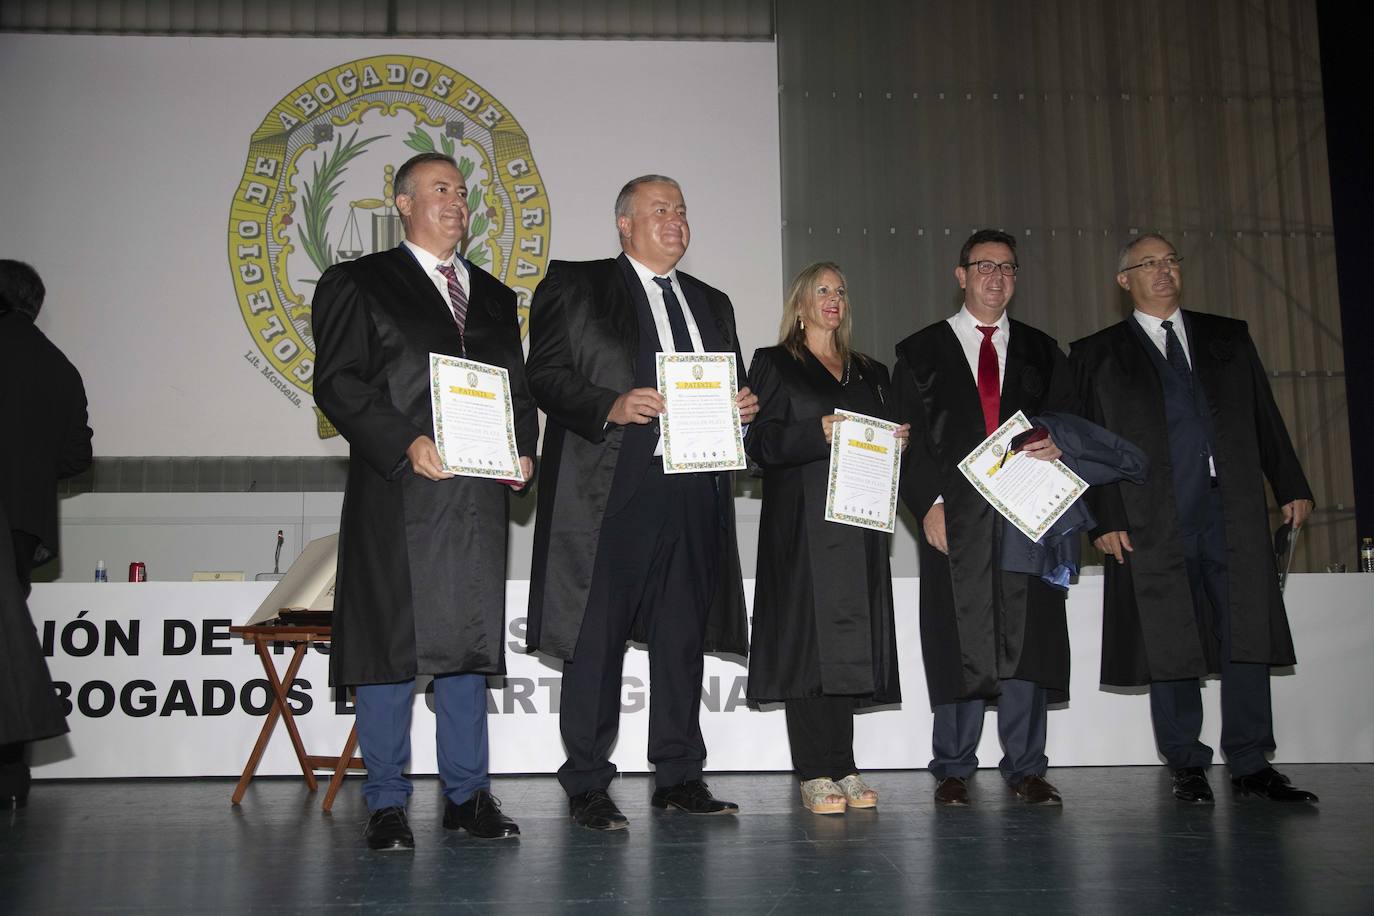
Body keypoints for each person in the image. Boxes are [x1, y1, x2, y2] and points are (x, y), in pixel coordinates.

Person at [312, 152, 539, 850]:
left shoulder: (495, 296)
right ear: (403, 202)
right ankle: (385, 802)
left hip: (474, 498)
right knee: (391, 650)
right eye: (441, 190)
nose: (457, 202)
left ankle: (468, 797)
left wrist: (524, 447)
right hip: (399, 492)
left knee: (468, 647)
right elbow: (340, 383)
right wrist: (405, 441)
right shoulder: (359, 281)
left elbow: (517, 392)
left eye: (464, 193)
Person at [525, 174, 759, 830]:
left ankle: (680, 776)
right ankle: (589, 782)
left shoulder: (713, 301)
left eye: (682, 210)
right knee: (595, 640)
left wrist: (744, 406)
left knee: (682, 638)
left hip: (693, 490)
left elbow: (730, 385)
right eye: (661, 210)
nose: (676, 221)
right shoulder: (576, 284)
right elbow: (542, 373)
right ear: (624, 223)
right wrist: (610, 404)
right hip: (610, 495)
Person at [1068, 233, 1318, 804]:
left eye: (1171, 261)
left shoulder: (1227, 336)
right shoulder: (1096, 354)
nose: (1163, 271)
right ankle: (1186, 761)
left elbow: (1264, 415)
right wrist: (1104, 518)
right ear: (1123, 280)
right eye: (1148, 264)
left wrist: (1291, 483)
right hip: (1152, 516)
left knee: (1246, 630)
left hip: (1230, 510)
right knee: (1170, 634)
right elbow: (1085, 446)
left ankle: (1252, 762)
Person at [891, 229, 1075, 807]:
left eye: (1007, 268)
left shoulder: (1046, 352)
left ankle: (1027, 767)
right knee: (956, 635)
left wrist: (1060, 442)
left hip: (1029, 516)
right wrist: (928, 506)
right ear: (961, 275)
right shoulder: (919, 351)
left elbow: (1070, 424)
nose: (996, 277)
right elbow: (906, 443)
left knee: (1027, 639)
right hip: (955, 519)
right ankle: (952, 766)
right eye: (983, 266)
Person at [744, 261, 907, 814]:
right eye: (821, 290)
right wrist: (815, 433)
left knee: (848, 643)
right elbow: (758, 446)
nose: (832, 299)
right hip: (801, 524)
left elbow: (884, 439)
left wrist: (896, 442)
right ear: (800, 304)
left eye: (840, 290)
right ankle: (814, 770)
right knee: (806, 644)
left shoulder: (871, 371)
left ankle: (844, 762)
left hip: (858, 521)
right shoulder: (773, 364)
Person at [0, 260, 92, 810]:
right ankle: (11, 774)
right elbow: (76, 456)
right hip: (19, 526)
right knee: (10, 644)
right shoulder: (59, 366)